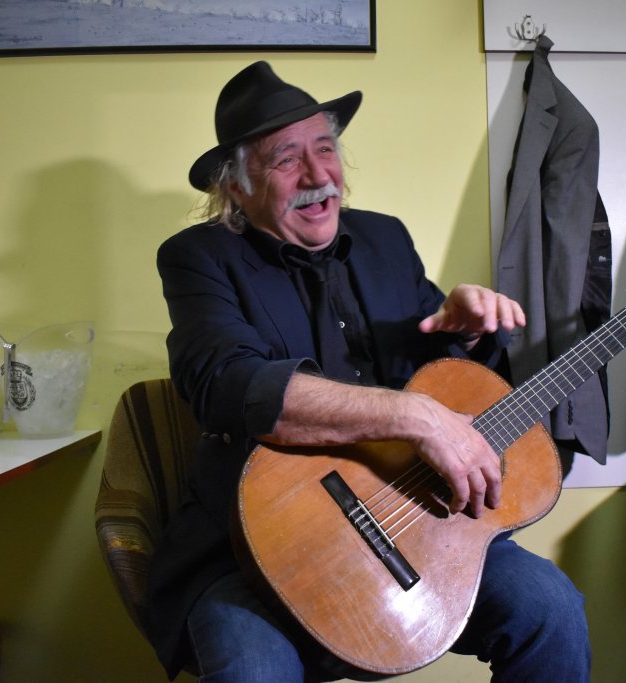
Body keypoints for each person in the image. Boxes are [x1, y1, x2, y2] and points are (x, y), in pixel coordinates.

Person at [149, 60, 590, 682]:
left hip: (413, 522)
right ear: (237, 188)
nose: (317, 175)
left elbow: (443, 382)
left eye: (325, 149)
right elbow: (226, 384)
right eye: (286, 159)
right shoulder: (198, 257)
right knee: (254, 671)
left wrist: (466, 335)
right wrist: (413, 416)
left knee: (551, 610)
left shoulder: (386, 240)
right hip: (254, 544)